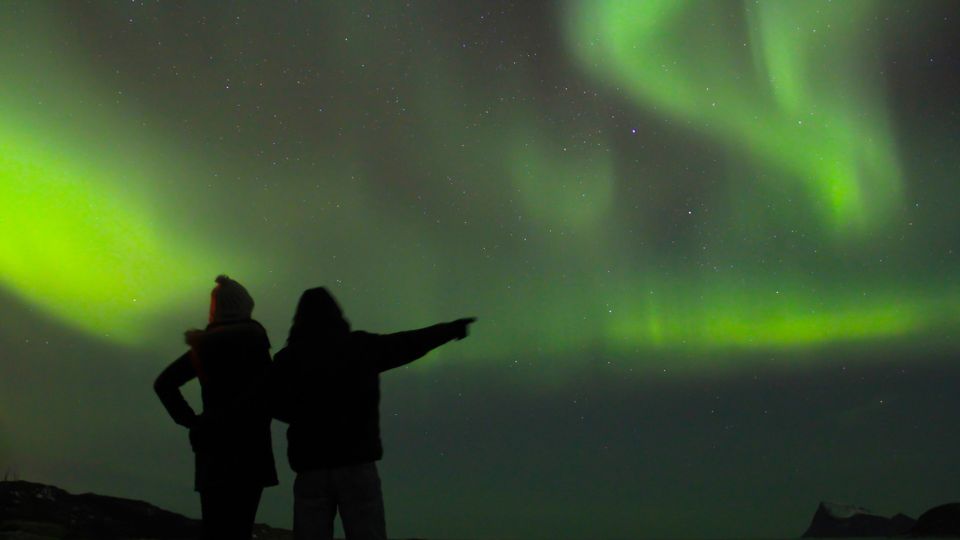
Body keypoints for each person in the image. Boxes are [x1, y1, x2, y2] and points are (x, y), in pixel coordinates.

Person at [271, 287, 475, 540]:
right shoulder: (361, 347)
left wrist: (303, 418)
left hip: (310, 465)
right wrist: (450, 330)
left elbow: (273, 403)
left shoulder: (287, 359)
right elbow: (409, 343)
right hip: (357, 462)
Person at [154, 275, 278, 540]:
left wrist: (192, 421)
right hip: (251, 448)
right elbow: (270, 393)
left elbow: (164, 383)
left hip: (213, 449)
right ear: (244, 307)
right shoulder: (255, 342)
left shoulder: (203, 348)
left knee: (214, 529)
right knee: (240, 528)